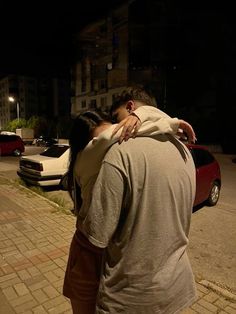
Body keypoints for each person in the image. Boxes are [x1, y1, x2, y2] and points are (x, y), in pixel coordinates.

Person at [63, 87, 197, 313]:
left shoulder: (121, 154)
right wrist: (165, 122)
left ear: (131, 107)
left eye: (117, 119)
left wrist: (145, 117)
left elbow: (97, 235)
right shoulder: (184, 154)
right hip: (174, 287)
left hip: (128, 293)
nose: (121, 129)